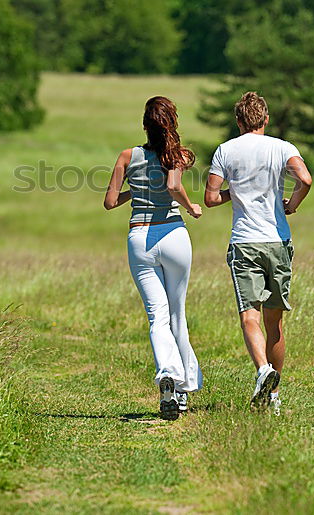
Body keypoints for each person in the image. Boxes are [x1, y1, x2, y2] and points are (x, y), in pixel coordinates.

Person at [204, 91, 312, 415]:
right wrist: (290, 204)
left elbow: (210, 198)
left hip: (245, 242)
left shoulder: (226, 150)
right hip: (278, 241)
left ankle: (263, 370)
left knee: (248, 316)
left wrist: (232, 193)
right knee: (274, 322)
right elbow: (305, 179)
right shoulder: (283, 148)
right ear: (265, 119)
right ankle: (274, 397)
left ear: (238, 121)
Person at [104, 96, 204, 421]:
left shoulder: (125, 156)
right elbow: (174, 185)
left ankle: (167, 374)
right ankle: (184, 390)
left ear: (145, 125)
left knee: (156, 316)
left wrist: (136, 188)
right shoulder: (177, 155)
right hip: (174, 234)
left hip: (140, 237)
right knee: (178, 314)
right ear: (172, 123)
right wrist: (191, 208)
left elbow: (109, 202)